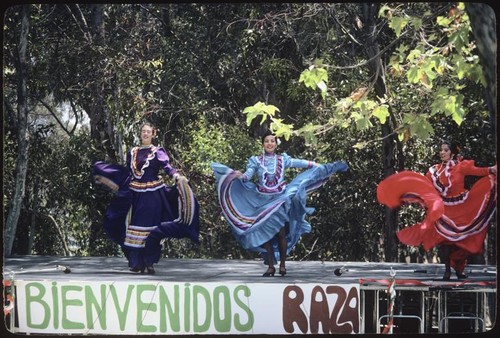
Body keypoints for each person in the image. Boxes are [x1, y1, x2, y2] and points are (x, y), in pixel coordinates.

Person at [211, 130, 348, 277]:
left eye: (272, 141)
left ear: (276, 144)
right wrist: (240, 176)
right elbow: (248, 175)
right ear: (263, 144)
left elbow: (302, 163)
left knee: (281, 232)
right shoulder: (256, 161)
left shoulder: (283, 160)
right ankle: (271, 266)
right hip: (261, 201)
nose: (269, 143)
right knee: (264, 234)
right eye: (267, 141)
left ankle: (282, 264)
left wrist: (319, 167)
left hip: (280, 199)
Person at [377, 140, 496, 280]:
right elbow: (425, 186)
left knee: (464, 242)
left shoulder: (461, 167)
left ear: (452, 153)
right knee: (444, 242)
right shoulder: (434, 171)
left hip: (462, 208)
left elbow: (478, 171)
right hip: (444, 210)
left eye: (446, 150)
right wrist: (412, 194)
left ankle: (458, 268)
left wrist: (491, 170)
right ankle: (446, 271)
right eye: (441, 150)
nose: (442, 152)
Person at [92, 122, 200, 274]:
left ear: (153, 134)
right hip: (135, 194)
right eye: (143, 131)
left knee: (150, 229)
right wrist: (113, 181)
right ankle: (136, 263)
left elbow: (167, 167)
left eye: (148, 132)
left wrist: (176, 176)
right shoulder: (133, 151)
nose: (145, 134)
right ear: (140, 134)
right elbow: (129, 173)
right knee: (133, 227)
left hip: (152, 195)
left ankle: (149, 262)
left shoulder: (157, 151)